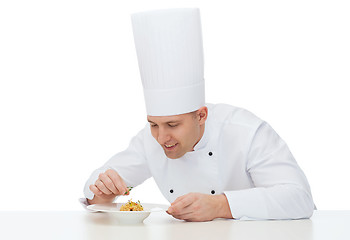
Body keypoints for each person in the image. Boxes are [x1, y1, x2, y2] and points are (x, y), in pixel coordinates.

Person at [82, 8, 314, 221]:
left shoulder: (246, 132)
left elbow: (299, 199)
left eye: (173, 124)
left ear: (201, 116)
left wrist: (221, 205)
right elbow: (99, 186)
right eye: (154, 124)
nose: (162, 137)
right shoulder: (150, 139)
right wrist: (102, 193)